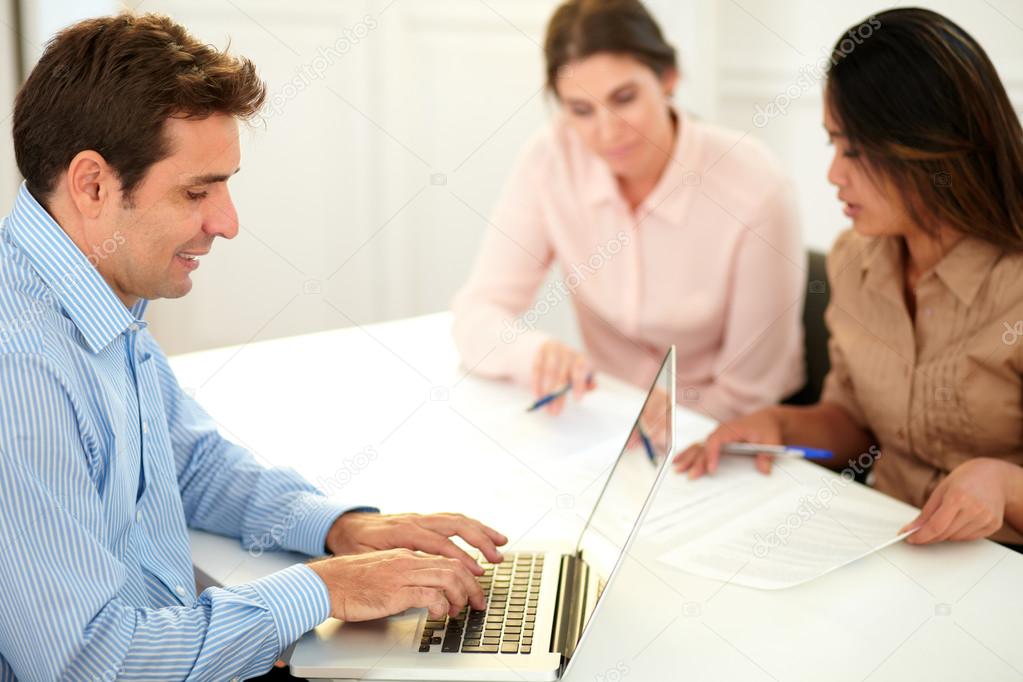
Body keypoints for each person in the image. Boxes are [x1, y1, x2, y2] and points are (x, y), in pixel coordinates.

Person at [0, 14, 508, 681]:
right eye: (196, 190)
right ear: (93, 185)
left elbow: (186, 462)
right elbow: (90, 663)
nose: (227, 222)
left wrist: (338, 527)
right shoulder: (23, 366)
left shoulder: (95, 293)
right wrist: (325, 590)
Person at [675, 8, 1023, 549]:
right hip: (886, 543)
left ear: (933, 147)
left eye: (855, 151)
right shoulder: (855, 260)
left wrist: (1004, 484)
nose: (834, 173)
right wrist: (779, 426)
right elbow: (853, 423)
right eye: (833, 144)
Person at [451, 0, 805, 422]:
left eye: (624, 98)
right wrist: (535, 354)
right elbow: (476, 312)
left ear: (668, 78)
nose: (606, 132)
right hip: (612, 422)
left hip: (728, 433)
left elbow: (750, 395)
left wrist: (661, 427)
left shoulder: (754, 185)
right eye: (581, 111)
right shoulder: (551, 160)